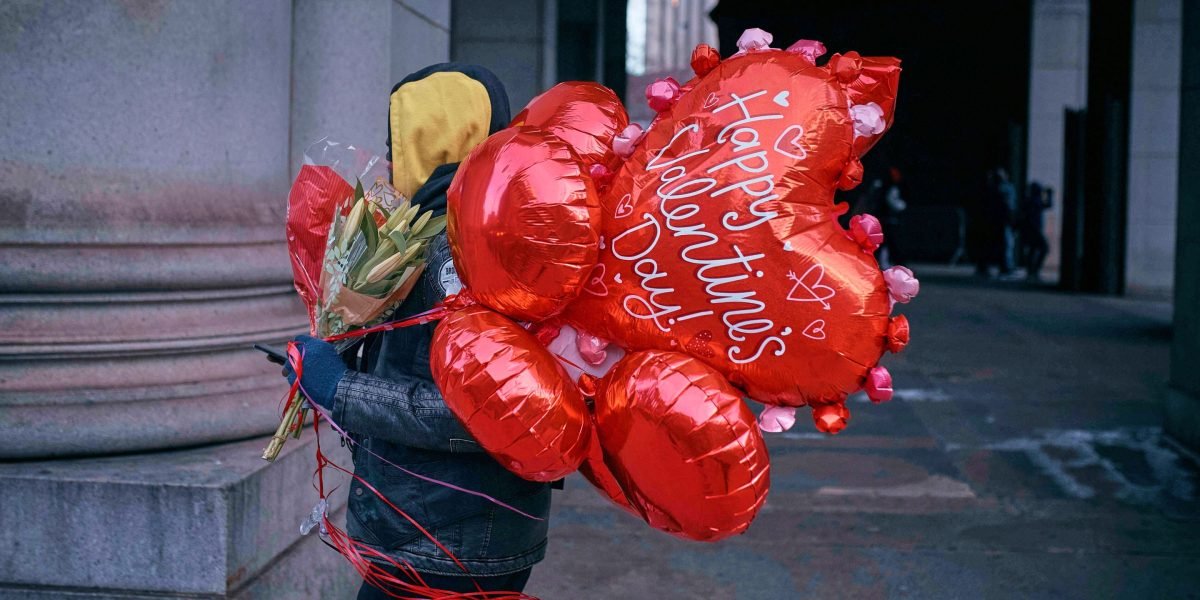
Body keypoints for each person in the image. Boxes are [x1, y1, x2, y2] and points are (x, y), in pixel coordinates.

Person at [285, 64, 551, 598]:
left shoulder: (470, 250)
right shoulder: (444, 226)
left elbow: (487, 410)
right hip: (439, 526)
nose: (385, 156)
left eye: (396, 138)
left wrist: (341, 388)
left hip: (450, 539)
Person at [1018, 181, 1052, 281]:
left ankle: (1031, 272)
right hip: (1035, 230)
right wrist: (1049, 193)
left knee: (1032, 251)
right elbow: (1048, 204)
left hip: (1029, 230)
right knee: (1044, 248)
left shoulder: (1027, 201)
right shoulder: (1035, 201)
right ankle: (1035, 271)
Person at [875, 166, 907, 268]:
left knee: (886, 243)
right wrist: (902, 205)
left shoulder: (887, 186)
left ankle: (889, 263)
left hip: (887, 219)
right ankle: (896, 263)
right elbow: (893, 203)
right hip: (886, 218)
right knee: (888, 242)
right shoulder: (889, 187)